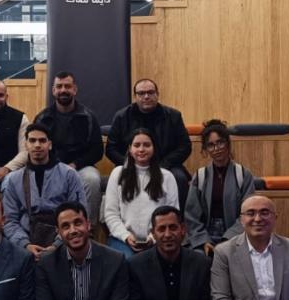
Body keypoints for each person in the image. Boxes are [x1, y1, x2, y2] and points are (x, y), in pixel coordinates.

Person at [2, 123, 87, 261]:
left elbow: (79, 216)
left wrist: (57, 245)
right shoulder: (13, 180)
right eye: (32, 140)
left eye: (42, 140)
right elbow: (10, 221)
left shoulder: (69, 175)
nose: (37, 145)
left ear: (50, 144)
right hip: (25, 245)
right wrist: (25, 245)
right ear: (26, 145)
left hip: (65, 243)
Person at [106, 78, 192, 208]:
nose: (146, 96)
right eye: (141, 93)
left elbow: (185, 146)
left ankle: (177, 218)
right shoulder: (121, 116)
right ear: (135, 96)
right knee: (119, 177)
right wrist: (131, 163)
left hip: (166, 164)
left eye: (150, 92)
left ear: (157, 94)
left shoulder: (173, 116)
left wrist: (164, 164)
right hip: (130, 165)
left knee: (179, 178)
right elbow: (111, 148)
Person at [34, 71, 104, 225]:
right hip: (52, 167)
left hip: (81, 167)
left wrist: (75, 164)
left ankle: (89, 227)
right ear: (53, 91)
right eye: (59, 86)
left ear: (74, 89)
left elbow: (97, 151)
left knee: (92, 180)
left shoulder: (88, 117)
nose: (63, 90)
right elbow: (36, 148)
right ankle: (52, 226)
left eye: (67, 86)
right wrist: (57, 167)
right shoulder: (42, 118)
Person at [103, 128, 179, 258]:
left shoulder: (167, 177)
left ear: (154, 148)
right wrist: (126, 236)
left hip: (158, 239)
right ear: (130, 149)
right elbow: (111, 214)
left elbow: (172, 215)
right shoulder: (118, 174)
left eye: (147, 145)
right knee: (128, 262)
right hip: (122, 239)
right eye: (137, 145)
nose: (141, 149)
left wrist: (154, 237)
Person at [185, 119, 256, 255]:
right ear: (206, 149)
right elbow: (191, 216)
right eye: (210, 145)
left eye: (220, 142)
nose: (216, 149)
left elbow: (248, 213)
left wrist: (227, 240)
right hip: (205, 236)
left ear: (228, 143)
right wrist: (203, 241)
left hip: (235, 236)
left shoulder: (243, 175)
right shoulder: (200, 176)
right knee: (199, 258)